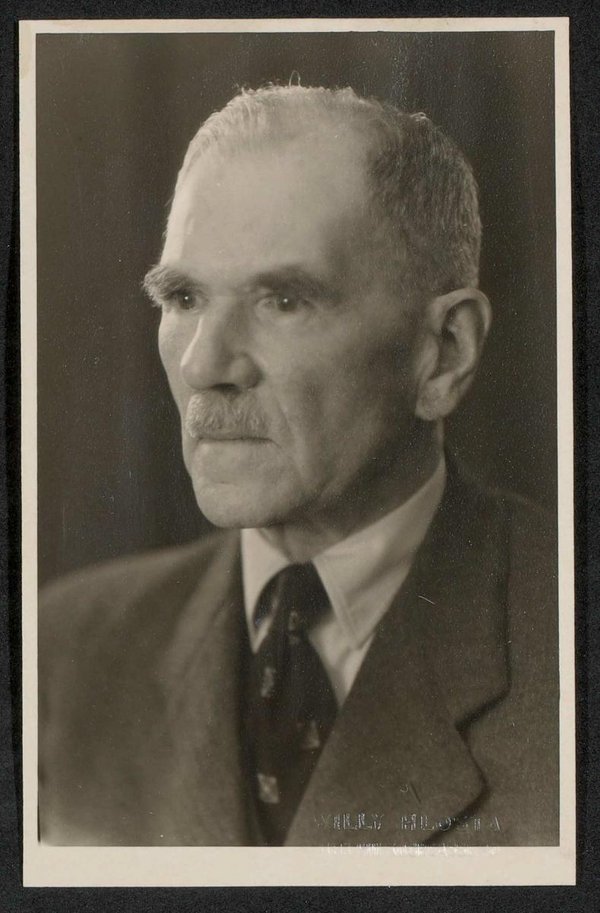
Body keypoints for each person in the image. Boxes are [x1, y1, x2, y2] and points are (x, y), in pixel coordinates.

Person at [38, 85, 558, 847]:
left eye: (283, 301)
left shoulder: (567, 643)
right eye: (183, 297)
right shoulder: (63, 656)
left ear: (444, 352)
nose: (204, 364)